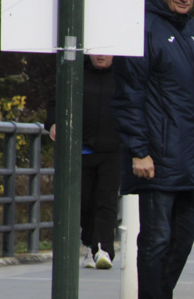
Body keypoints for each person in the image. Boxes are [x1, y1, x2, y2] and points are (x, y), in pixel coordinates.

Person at [112, 0, 194, 299]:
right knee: (156, 240)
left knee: (183, 237)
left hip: (187, 157)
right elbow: (127, 96)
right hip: (156, 158)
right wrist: (139, 150)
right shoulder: (142, 28)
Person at [46, 54, 121, 270]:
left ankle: (104, 249)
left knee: (106, 201)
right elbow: (56, 101)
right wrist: (53, 123)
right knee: (85, 202)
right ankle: (90, 245)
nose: (100, 56)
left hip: (113, 150)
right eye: (96, 51)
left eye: (106, 52)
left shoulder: (122, 75)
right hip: (82, 149)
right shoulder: (75, 72)